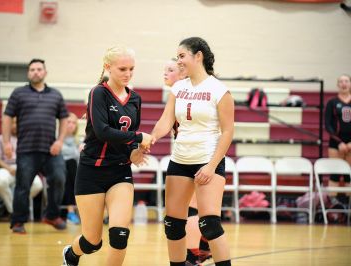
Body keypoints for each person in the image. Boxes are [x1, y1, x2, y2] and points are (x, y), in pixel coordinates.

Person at [62, 46, 152, 266]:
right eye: (122, 68)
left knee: (120, 234)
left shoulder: (135, 99)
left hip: (120, 171)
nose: (127, 73)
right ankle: (71, 254)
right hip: (91, 171)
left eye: (131, 69)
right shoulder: (98, 93)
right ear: (107, 67)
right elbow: (102, 132)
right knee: (93, 241)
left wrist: (134, 151)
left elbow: (128, 139)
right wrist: (139, 137)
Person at [151, 37, 234, 266]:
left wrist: (210, 166)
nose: (178, 61)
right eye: (177, 57)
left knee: (209, 224)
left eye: (181, 56)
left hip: (208, 160)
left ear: (198, 56)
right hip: (179, 160)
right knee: (173, 224)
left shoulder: (219, 90)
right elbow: (165, 121)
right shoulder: (178, 88)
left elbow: (227, 133)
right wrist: (150, 139)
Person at [2, 58, 69, 234]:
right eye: (32, 70)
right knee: (23, 186)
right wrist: (6, 142)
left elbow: (64, 118)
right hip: (26, 150)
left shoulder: (56, 95)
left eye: (39, 69)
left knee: (59, 179)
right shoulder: (18, 93)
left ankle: (52, 215)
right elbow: (7, 117)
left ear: (45, 72)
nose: (36, 72)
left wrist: (60, 141)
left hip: (51, 150)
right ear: (28, 73)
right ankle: (18, 221)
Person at [163, 58, 211, 265]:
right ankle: (201, 247)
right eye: (165, 69)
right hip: (191, 155)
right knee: (193, 210)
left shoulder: (192, 93)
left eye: (171, 70)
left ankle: (194, 254)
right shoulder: (178, 93)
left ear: (183, 73)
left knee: (192, 209)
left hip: (200, 156)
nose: (165, 73)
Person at [0, 117, 43, 216]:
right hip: (6, 168)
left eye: (17, 123)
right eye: (13, 123)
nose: (15, 125)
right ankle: (15, 210)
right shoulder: (0, 138)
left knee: (38, 184)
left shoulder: (28, 139)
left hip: (25, 168)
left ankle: (16, 207)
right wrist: (8, 168)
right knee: (0, 182)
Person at [324, 74, 351, 197]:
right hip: (335, 144)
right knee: (335, 173)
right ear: (337, 85)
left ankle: (348, 210)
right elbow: (327, 124)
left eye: (346, 81)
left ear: (350, 84)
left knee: (349, 175)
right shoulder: (332, 102)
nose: (344, 83)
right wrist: (339, 142)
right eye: (341, 81)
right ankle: (332, 208)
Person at [61, 112, 81, 224]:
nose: (71, 125)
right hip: (60, 170)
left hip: (75, 172)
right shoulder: (57, 138)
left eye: (73, 123)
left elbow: (80, 156)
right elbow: (61, 152)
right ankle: (70, 211)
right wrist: (75, 152)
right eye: (68, 122)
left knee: (73, 166)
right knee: (71, 164)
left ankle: (72, 211)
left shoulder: (78, 141)